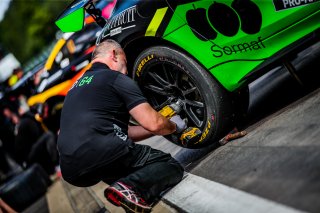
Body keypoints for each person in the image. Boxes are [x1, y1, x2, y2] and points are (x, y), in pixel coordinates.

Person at [57, 39, 186, 212]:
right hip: (102, 150)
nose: (126, 72)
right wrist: (173, 126)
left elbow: (123, 131)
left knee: (126, 186)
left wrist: (155, 130)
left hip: (71, 169)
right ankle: (131, 187)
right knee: (169, 165)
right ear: (114, 55)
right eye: (125, 64)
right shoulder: (114, 78)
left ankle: (128, 190)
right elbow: (154, 123)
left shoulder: (74, 88)